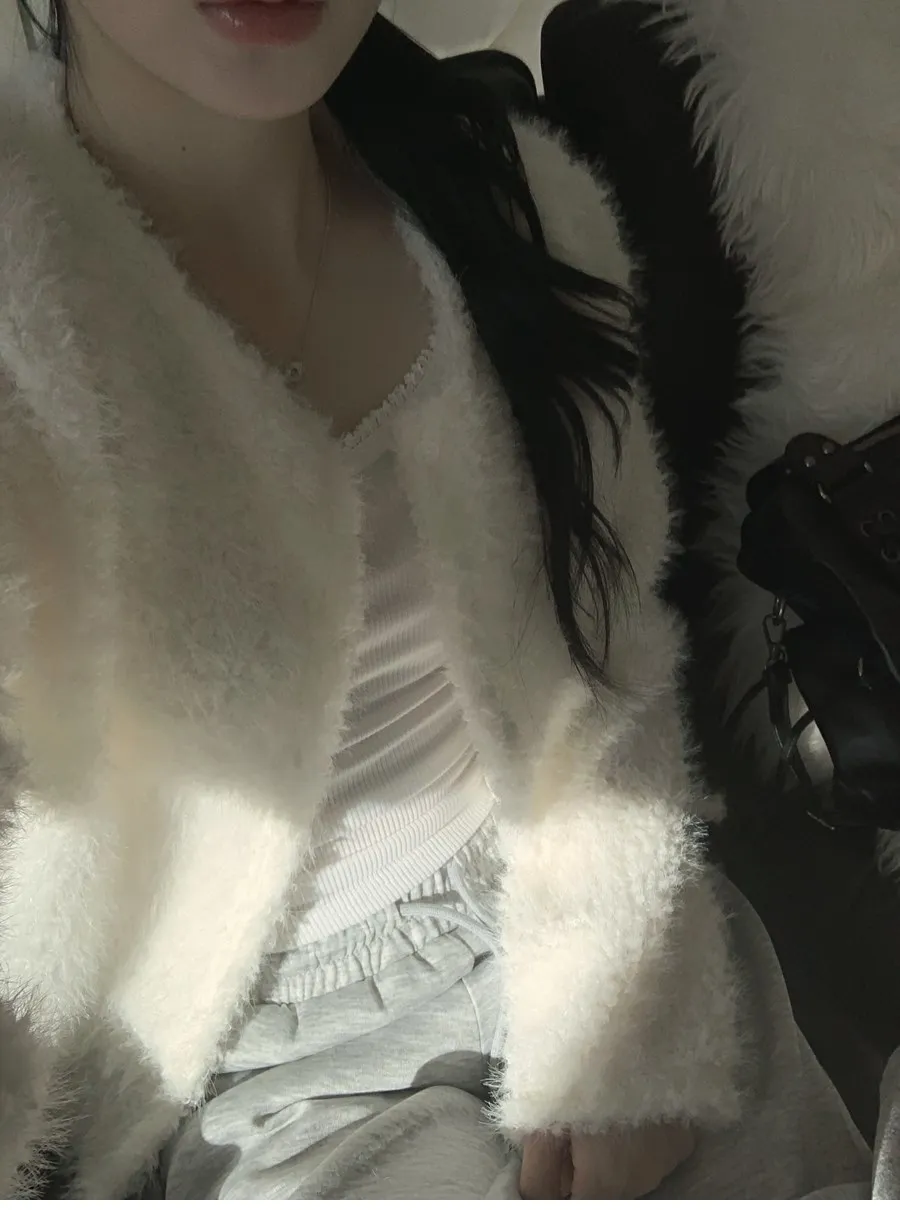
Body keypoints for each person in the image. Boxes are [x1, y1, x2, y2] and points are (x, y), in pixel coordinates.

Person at [0, 0, 869, 1198]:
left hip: (596, 911)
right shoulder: (25, 323)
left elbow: (609, 656)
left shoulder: (517, 203)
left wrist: (635, 1019)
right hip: (268, 1065)